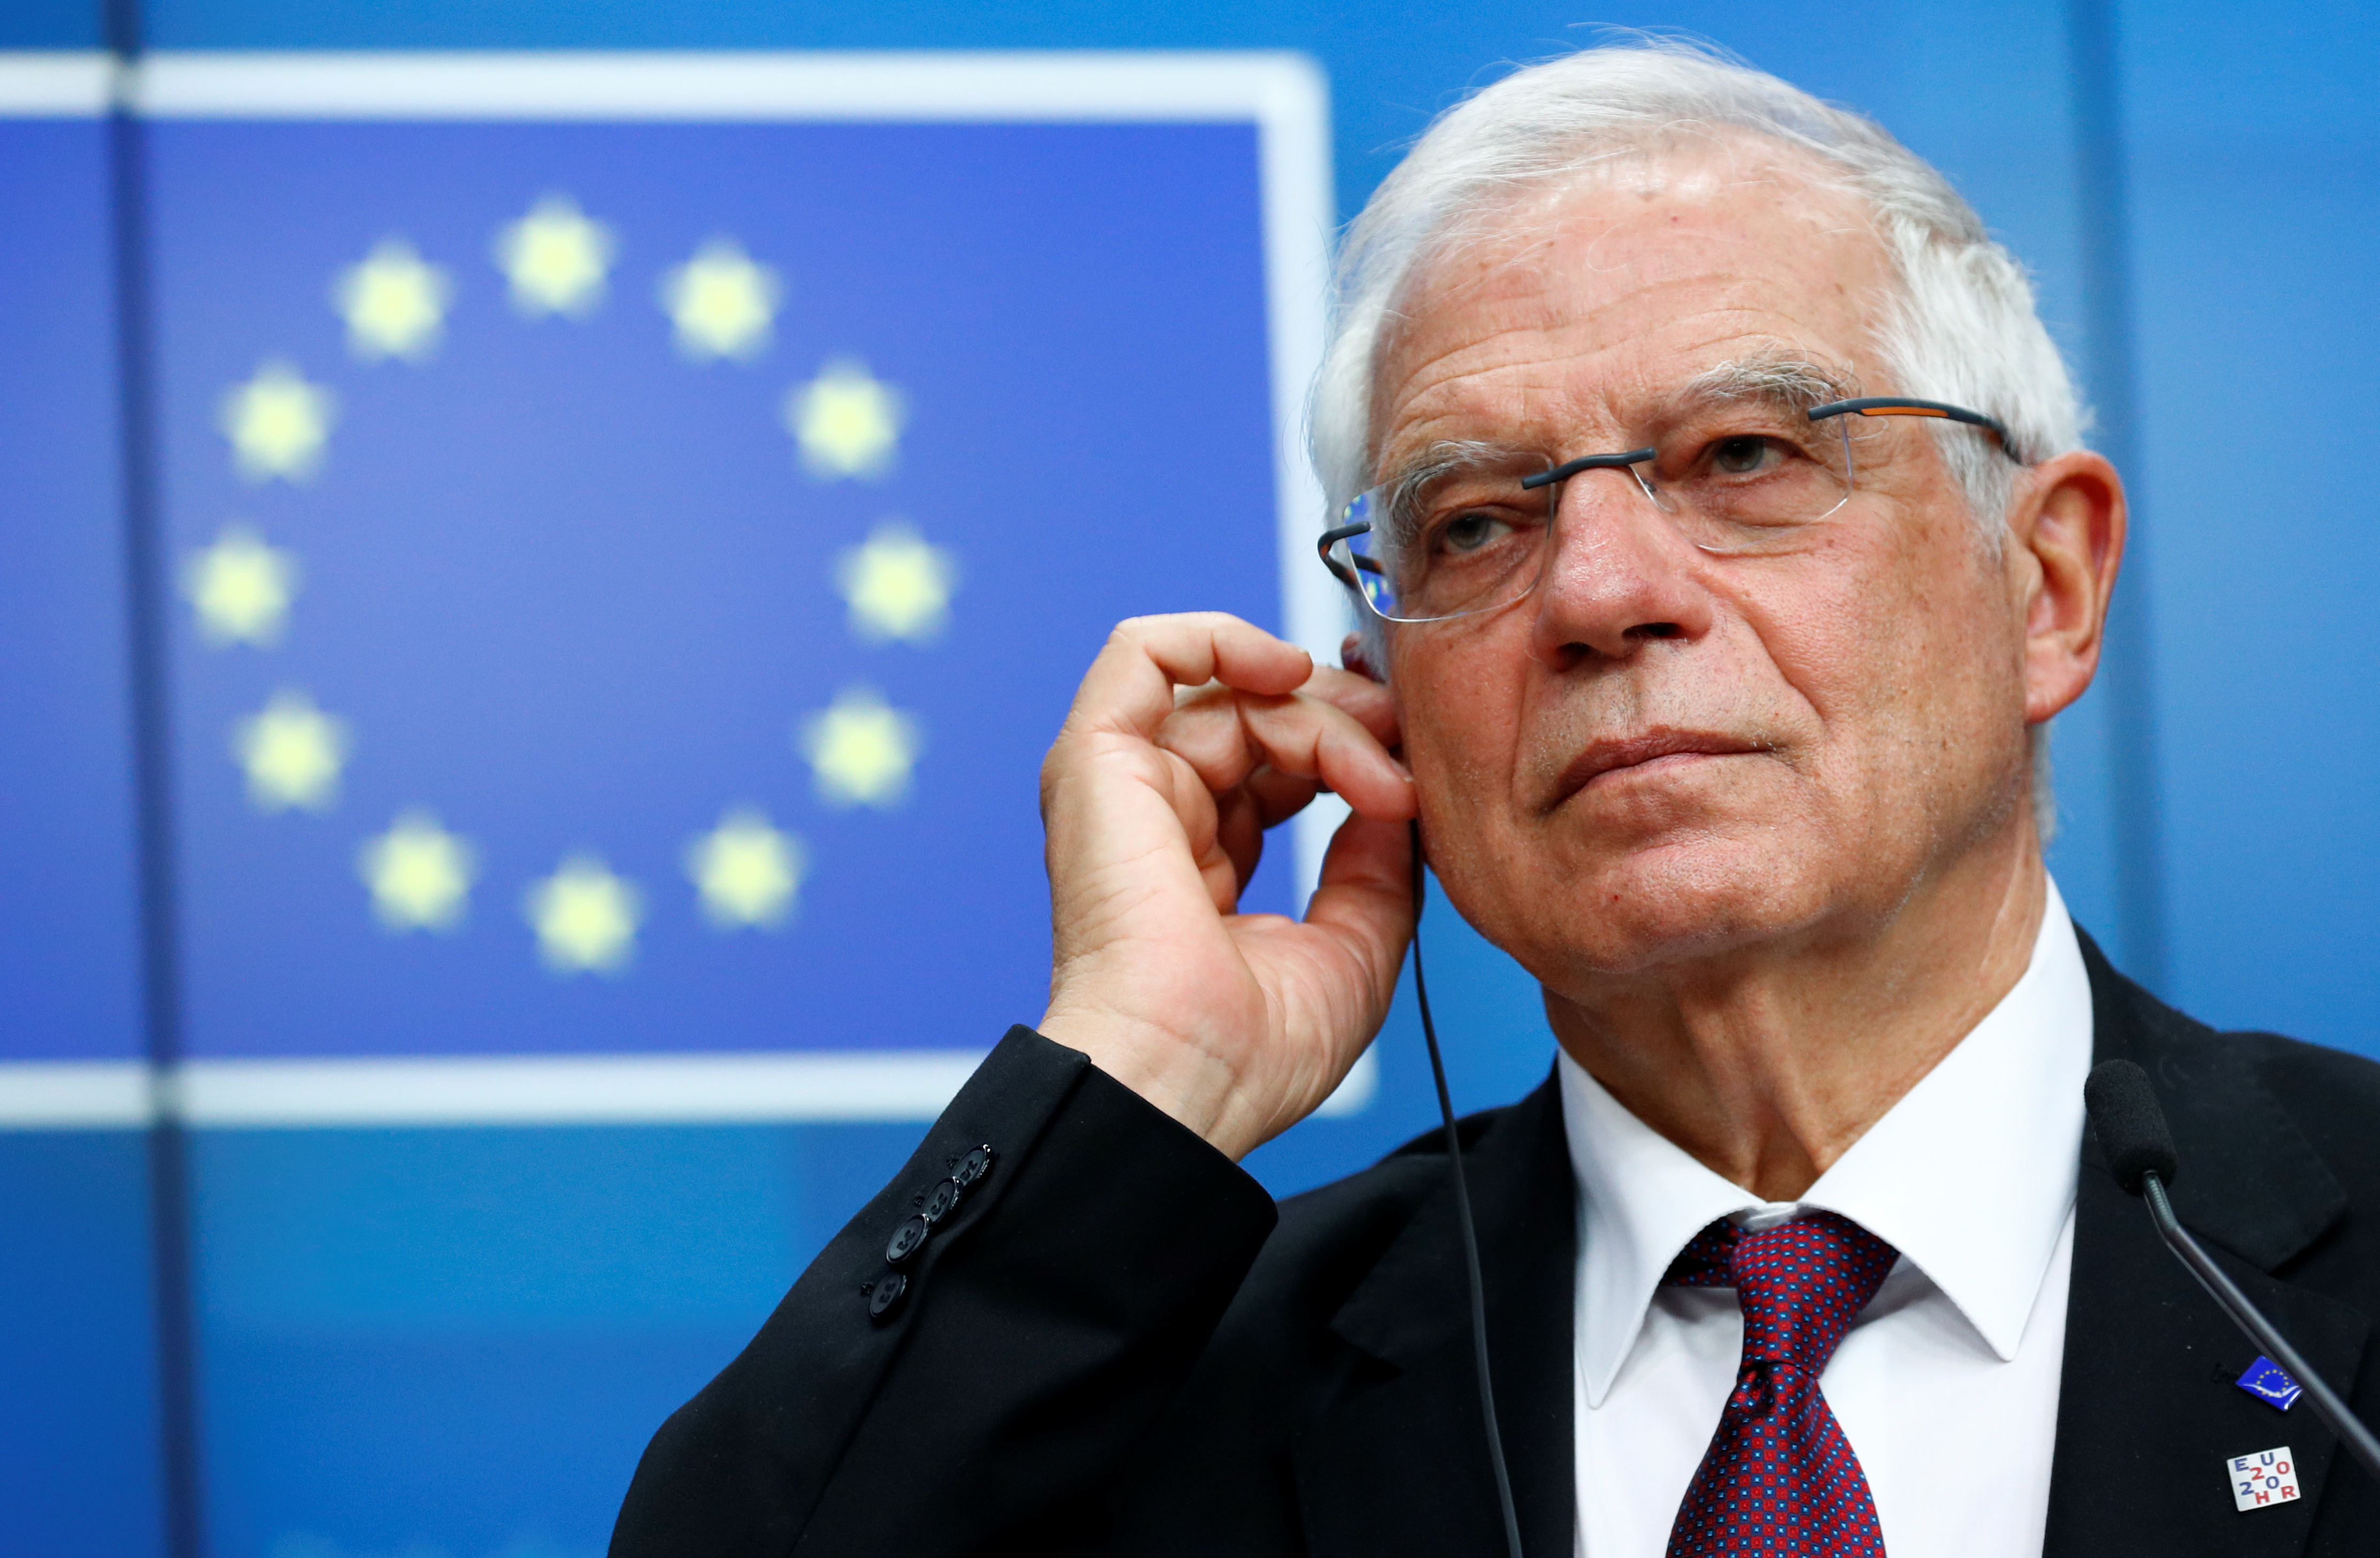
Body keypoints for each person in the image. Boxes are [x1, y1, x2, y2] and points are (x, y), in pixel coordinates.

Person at [610, 41, 2380, 1557]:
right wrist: (1142, 1078)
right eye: (1473, 522)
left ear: (2043, 587)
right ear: (1379, 699)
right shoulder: (1154, 1387)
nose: (1601, 591)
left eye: (1743, 457)